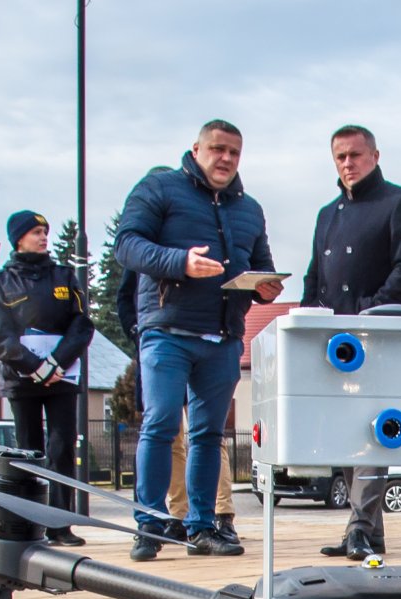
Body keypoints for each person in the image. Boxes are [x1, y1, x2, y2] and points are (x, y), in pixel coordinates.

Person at [114, 120, 284, 560]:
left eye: (234, 152)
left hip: (223, 335)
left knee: (209, 435)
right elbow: (127, 245)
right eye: (217, 149)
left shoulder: (250, 209)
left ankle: (203, 527)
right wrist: (180, 262)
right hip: (167, 330)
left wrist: (265, 286)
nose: (226, 158)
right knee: (161, 422)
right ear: (196, 149)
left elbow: (260, 263)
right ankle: (148, 525)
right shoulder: (159, 189)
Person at [301, 124, 401, 561]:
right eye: (340, 157)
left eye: (355, 155)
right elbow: (315, 276)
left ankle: (359, 527)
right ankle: (368, 535)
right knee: (344, 433)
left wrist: (370, 310)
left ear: (375, 156)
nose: (347, 164)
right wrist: (307, 322)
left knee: (373, 432)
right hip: (333, 341)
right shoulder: (327, 214)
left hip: (378, 337)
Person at [0, 210, 94, 547]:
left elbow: (81, 324)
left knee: (62, 448)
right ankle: (29, 523)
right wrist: (34, 365)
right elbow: (0, 336)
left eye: (45, 231)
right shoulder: (2, 282)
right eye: (35, 232)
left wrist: (57, 362)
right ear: (18, 238)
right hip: (22, 379)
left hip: (61, 376)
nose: (43, 236)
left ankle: (60, 524)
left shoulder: (64, 276)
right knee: (28, 452)